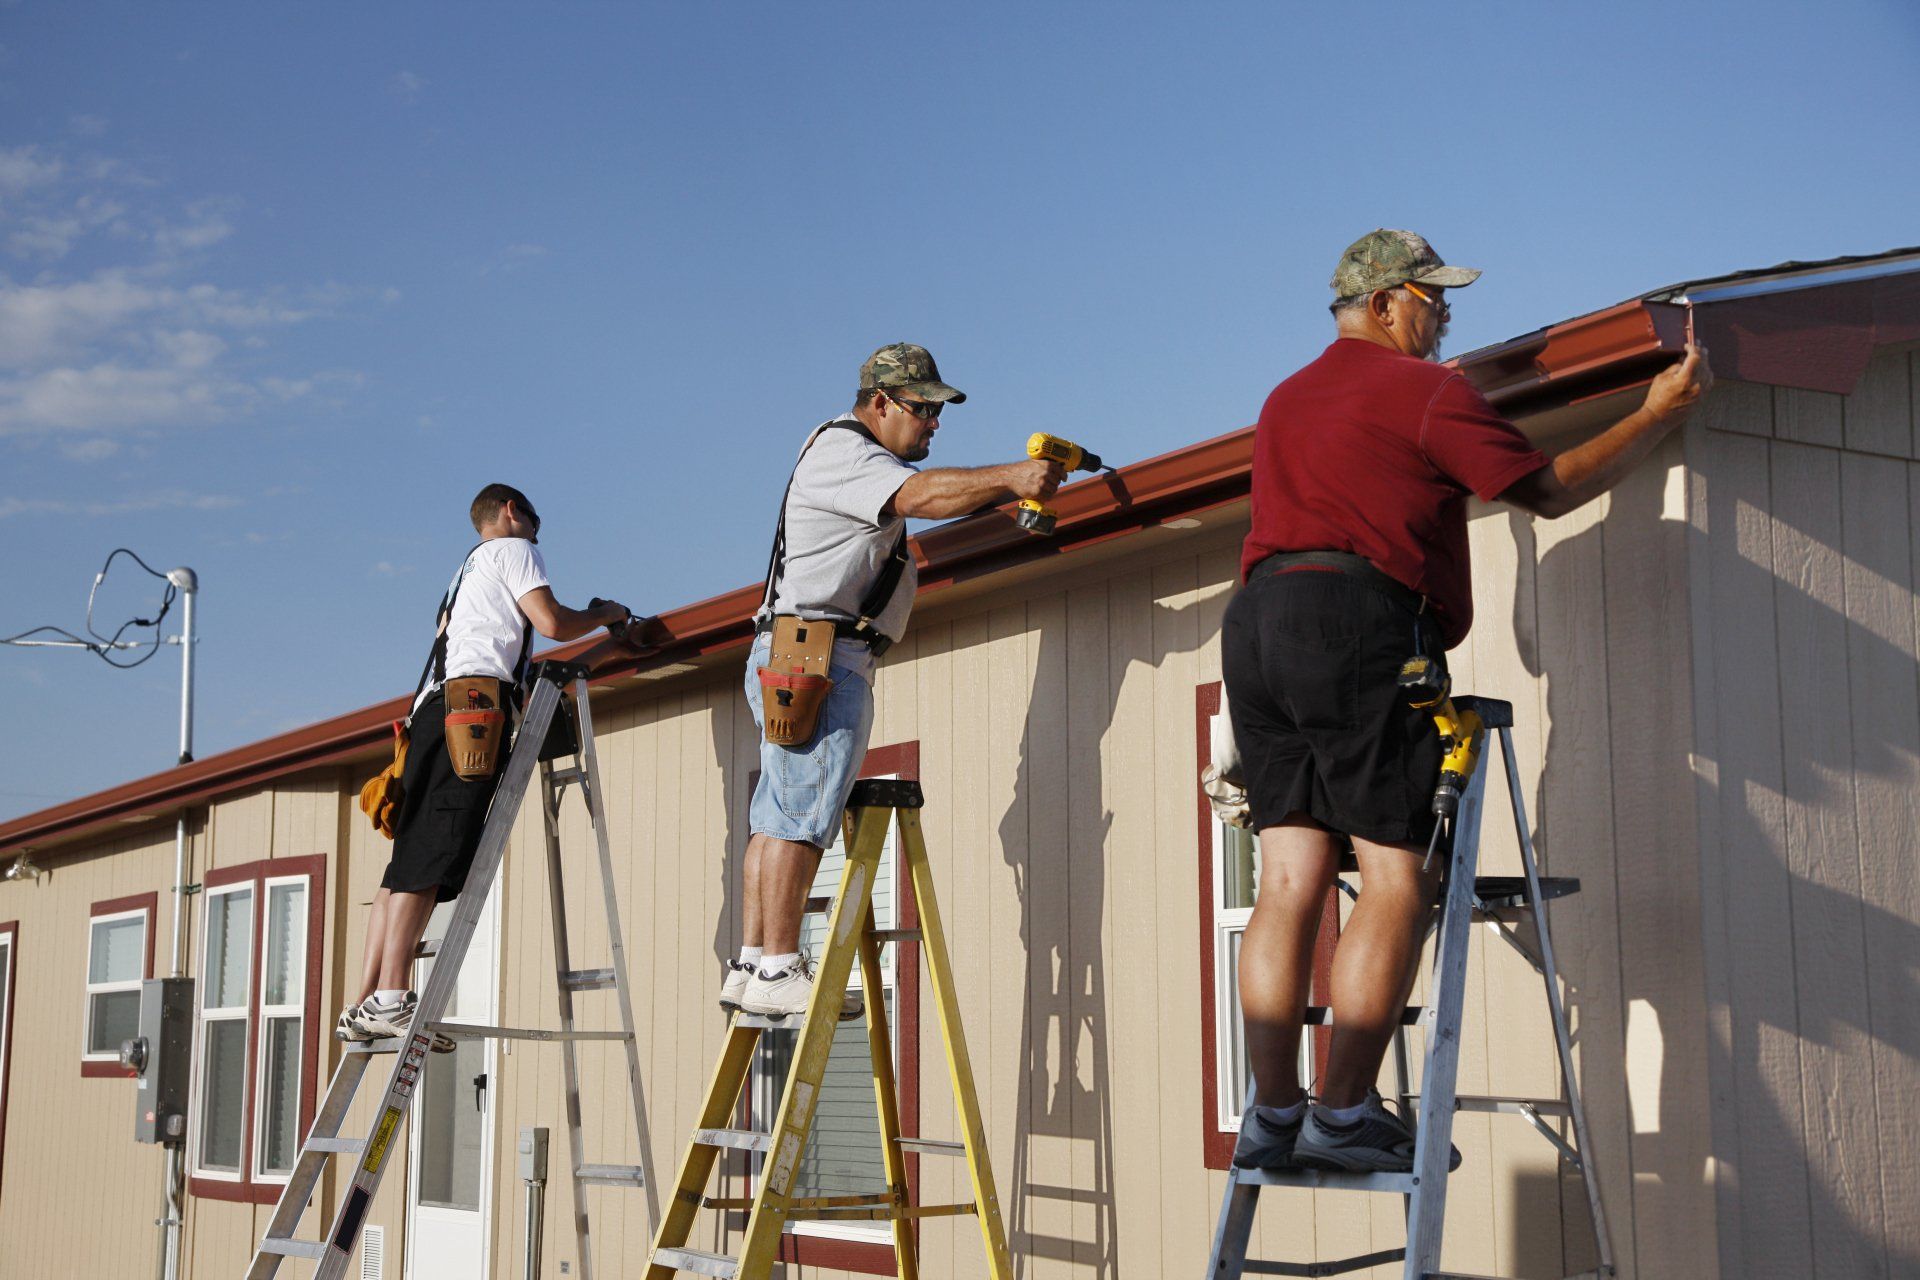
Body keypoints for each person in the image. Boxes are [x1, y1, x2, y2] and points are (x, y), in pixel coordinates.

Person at [1223, 229, 1712, 1171]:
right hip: (1356, 622)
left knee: (1287, 883)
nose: (1445, 316)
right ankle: (1344, 1113)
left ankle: (1273, 1113)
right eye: (1431, 298)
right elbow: (1546, 489)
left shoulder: (1284, 399)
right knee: (1400, 875)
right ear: (1383, 304)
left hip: (1258, 626)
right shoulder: (1425, 391)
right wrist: (1656, 412)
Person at [723, 343, 1064, 1019]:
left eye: (938, 411)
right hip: (821, 653)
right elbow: (924, 494)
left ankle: (753, 962)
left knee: (776, 818)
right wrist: (1019, 478)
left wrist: (1003, 487)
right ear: (878, 402)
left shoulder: (844, 456)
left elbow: (925, 496)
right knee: (798, 819)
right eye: (922, 408)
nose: (933, 424)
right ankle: (779, 966)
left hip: (797, 649)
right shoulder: (848, 452)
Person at [338, 483, 637, 1044]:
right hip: (471, 716)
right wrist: (605, 614)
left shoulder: (466, 576)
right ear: (510, 512)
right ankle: (393, 997)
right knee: (431, 858)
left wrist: (606, 647)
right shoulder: (513, 549)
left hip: (435, 714)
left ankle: (362, 1004)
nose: (538, 535)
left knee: (404, 867)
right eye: (535, 521)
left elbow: (531, 658)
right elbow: (550, 622)